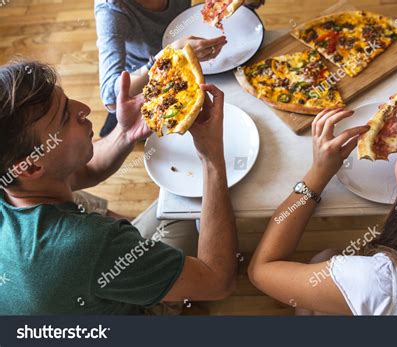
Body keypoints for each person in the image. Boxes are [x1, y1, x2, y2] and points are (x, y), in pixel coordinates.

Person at [0, 60, 238, 314]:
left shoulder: (15, 177)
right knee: (188, 209)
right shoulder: (89, 244)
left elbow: (86, 171)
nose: (85, 109)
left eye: (69, 102)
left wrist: (125, 133)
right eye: (66, 118)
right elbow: (218, 281)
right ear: (31, 168)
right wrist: (212, 159)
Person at [248, 101, 397, 315]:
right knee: (328, 257)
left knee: (322, 265)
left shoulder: (379, 283)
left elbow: (261, 271)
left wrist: (317, 174)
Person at [95, 0, 265, 136]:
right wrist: (167, 55)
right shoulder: (110, 10)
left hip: (195, 63)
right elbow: (109, 97)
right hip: (146, 81)